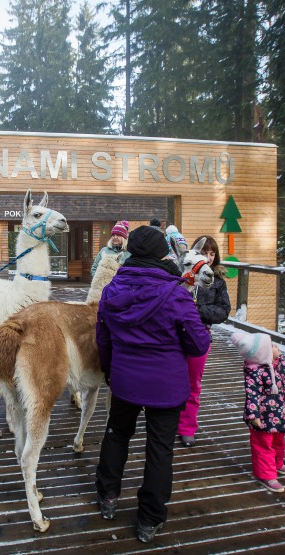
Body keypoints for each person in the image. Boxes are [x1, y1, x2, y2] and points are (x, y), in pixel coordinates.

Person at [94, 226, 211, 543]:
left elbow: (102, 338)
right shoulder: (176, 294)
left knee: (117, 435)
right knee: (160, 450)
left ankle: (107, 496)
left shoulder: (111, 290)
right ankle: (149, 519)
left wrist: (110, 370)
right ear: (162, 254)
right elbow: (199, 345)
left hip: (125, 380)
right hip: (166, 387)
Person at [230, 331, 285, 494]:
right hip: (263, 416)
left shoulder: (283, 364)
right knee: (263, 444)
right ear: (263, 354)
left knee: (279, 441)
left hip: (282, 413)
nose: (276, 346)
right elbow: (252, 394)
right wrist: (253, 415)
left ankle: (277, 464)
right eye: (271, 345)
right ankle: (266, 474)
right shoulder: (254, 371)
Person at [177, 235, 231, 447]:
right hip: (175, 335)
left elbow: (223, 311)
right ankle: (169, 420)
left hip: (199, 336)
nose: (208, 258)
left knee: (193, 385)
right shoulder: (180, 277)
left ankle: (187, 427)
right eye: (203, 253)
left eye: (211, 254)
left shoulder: (217, 283)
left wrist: (196, 310)